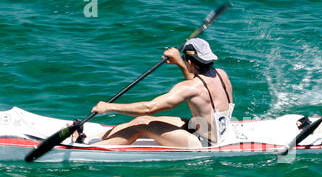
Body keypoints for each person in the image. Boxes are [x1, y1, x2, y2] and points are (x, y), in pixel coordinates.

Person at [93, 37, 235, 147]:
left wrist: (109, 107)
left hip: (204, 142)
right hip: (212, 130)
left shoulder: (188, 88)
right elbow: (197, 85)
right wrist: (179, 62)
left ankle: (95, 148)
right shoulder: (221, 74)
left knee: (141, 124)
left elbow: (149, 108)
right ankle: (97, 137)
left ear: (190, 62)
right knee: (141, 120)